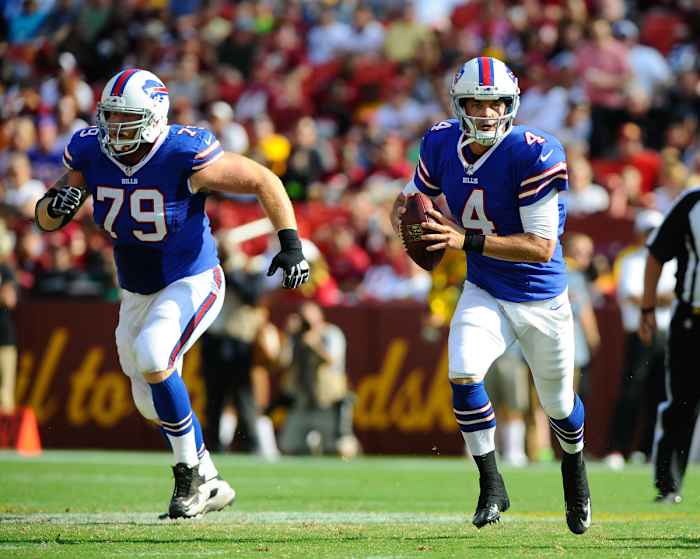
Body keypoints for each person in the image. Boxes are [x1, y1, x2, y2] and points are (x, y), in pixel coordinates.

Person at [34, 68, 310, 519]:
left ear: (154, 117)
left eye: (127, 119)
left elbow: (263, 179)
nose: (114, 129)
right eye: (111, 117)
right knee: (147, 396)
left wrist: (291, 244)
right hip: (136, 290)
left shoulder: (182, 151)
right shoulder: (90, 150)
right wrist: (53, 207)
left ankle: (188, 475)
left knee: (154, 354)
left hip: (193, 279)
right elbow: (46, 218)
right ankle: (211, 477)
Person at [391, 56, 590, 534]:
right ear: (459, 106)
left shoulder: (535, 152)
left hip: (540, 297)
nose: (487, 113)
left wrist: (463, 240)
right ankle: (491, 484)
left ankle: (575, 466)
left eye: (496, 102)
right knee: (462, 371)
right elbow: (407, 200)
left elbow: (541, 248)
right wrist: (409, 225)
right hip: (484, 288)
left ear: (512, 103)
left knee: (559, 405)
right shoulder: (440, 141)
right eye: (477, 104)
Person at [639, 187, 700, 503]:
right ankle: (668, 484)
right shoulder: (691, 204)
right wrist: (647, 307)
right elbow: (656, 252)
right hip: (692, 318)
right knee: (682, 402)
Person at [606, 210, 675, 469]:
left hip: (667, 333)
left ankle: (646, 450)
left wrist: (649, 298)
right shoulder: (631, 261)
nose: (652, 236)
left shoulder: (673, 260)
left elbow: (672, 296)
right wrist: (659, 298)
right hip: (639, 333)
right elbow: (632, 296)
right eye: (648, 231)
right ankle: (618, 448)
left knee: (659, 394)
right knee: (631, 391)